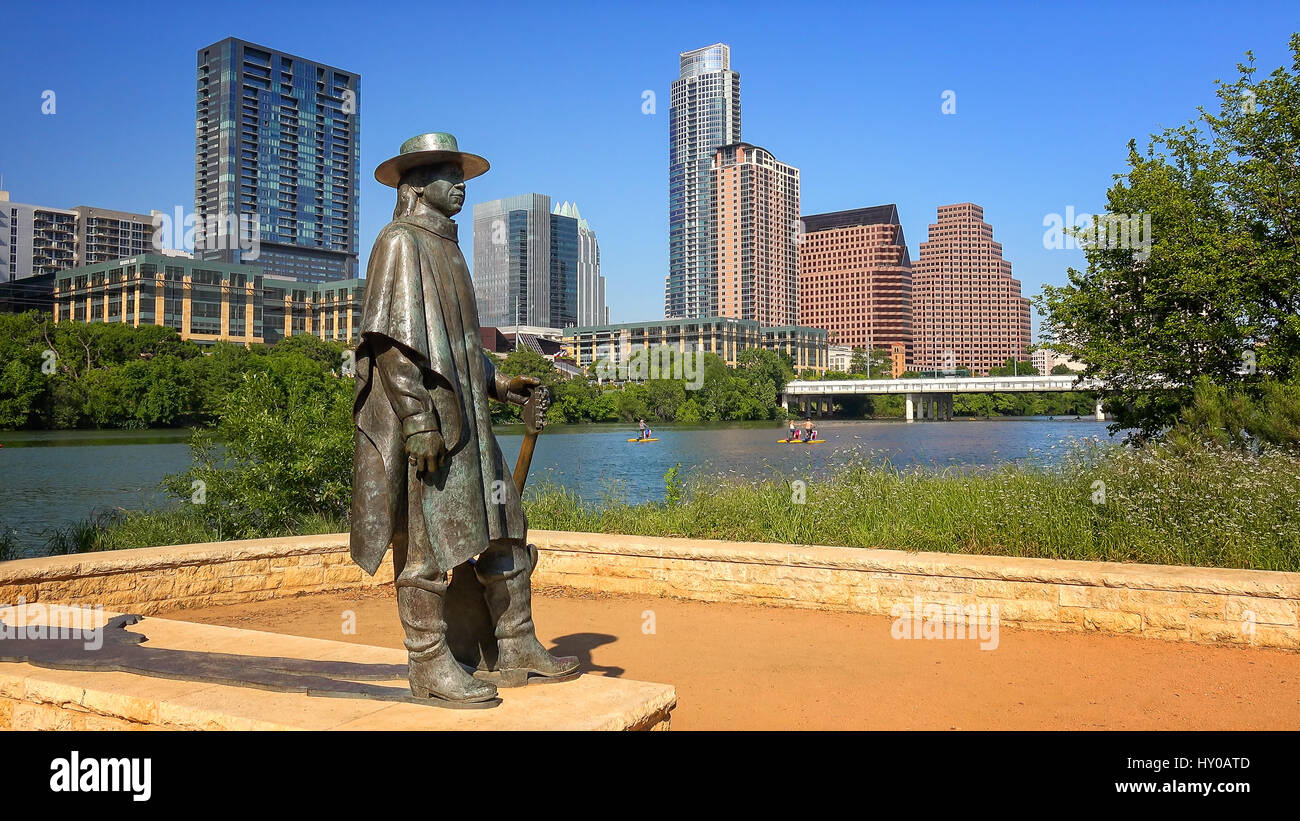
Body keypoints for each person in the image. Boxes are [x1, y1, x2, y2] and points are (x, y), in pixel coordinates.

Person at [350, 132, 578, 705]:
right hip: (432, 424)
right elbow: (390, 347)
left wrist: (501, 384)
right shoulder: (398, 243)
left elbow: (461, 349)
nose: (461, 186)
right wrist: (416, 419)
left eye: (462, 176)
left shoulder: (449, 248)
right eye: (449, 176)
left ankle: (516, 642)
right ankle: (428, 661)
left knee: (507, 530)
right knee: (426, 547)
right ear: (418, 184)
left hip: (472, 421)